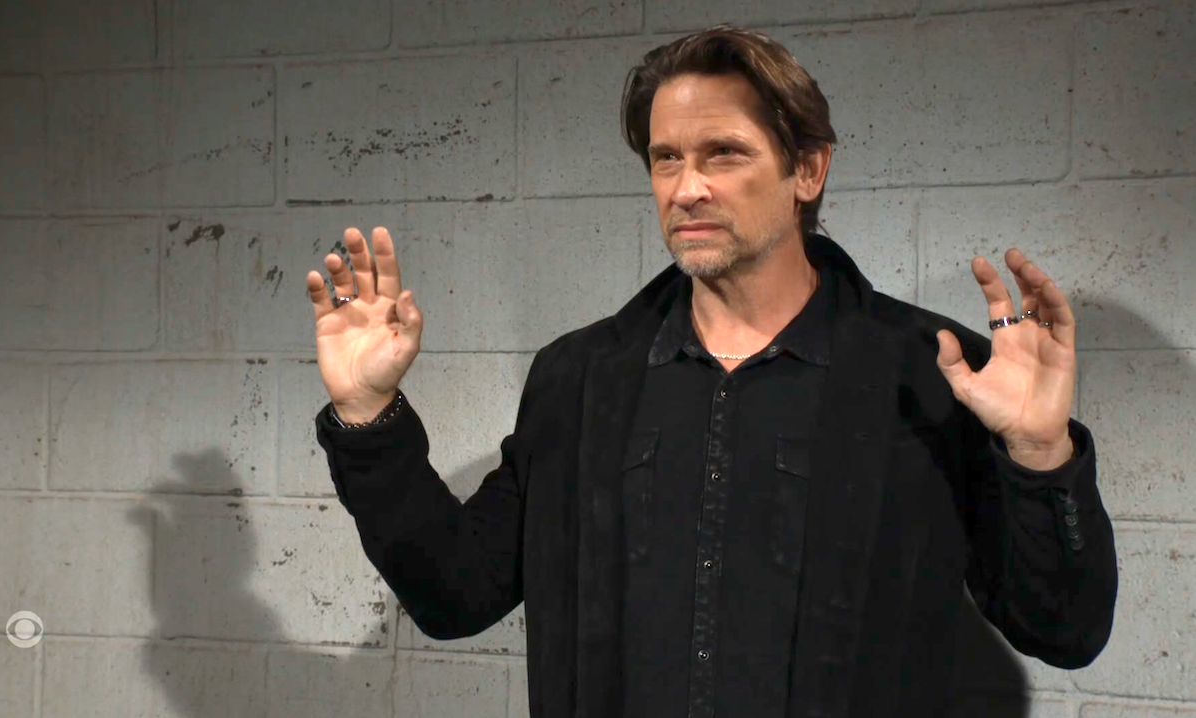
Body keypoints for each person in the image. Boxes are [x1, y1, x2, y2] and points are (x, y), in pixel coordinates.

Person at [304, 24, 1117, 718]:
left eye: (723, 153)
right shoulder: (579, 379)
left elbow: (1064, 631)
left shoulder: (931, 372)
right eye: (666, 159)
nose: (686, 188)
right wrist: (368, 416)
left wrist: (1040, 457)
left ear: (807, 170)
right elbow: (456, 595)